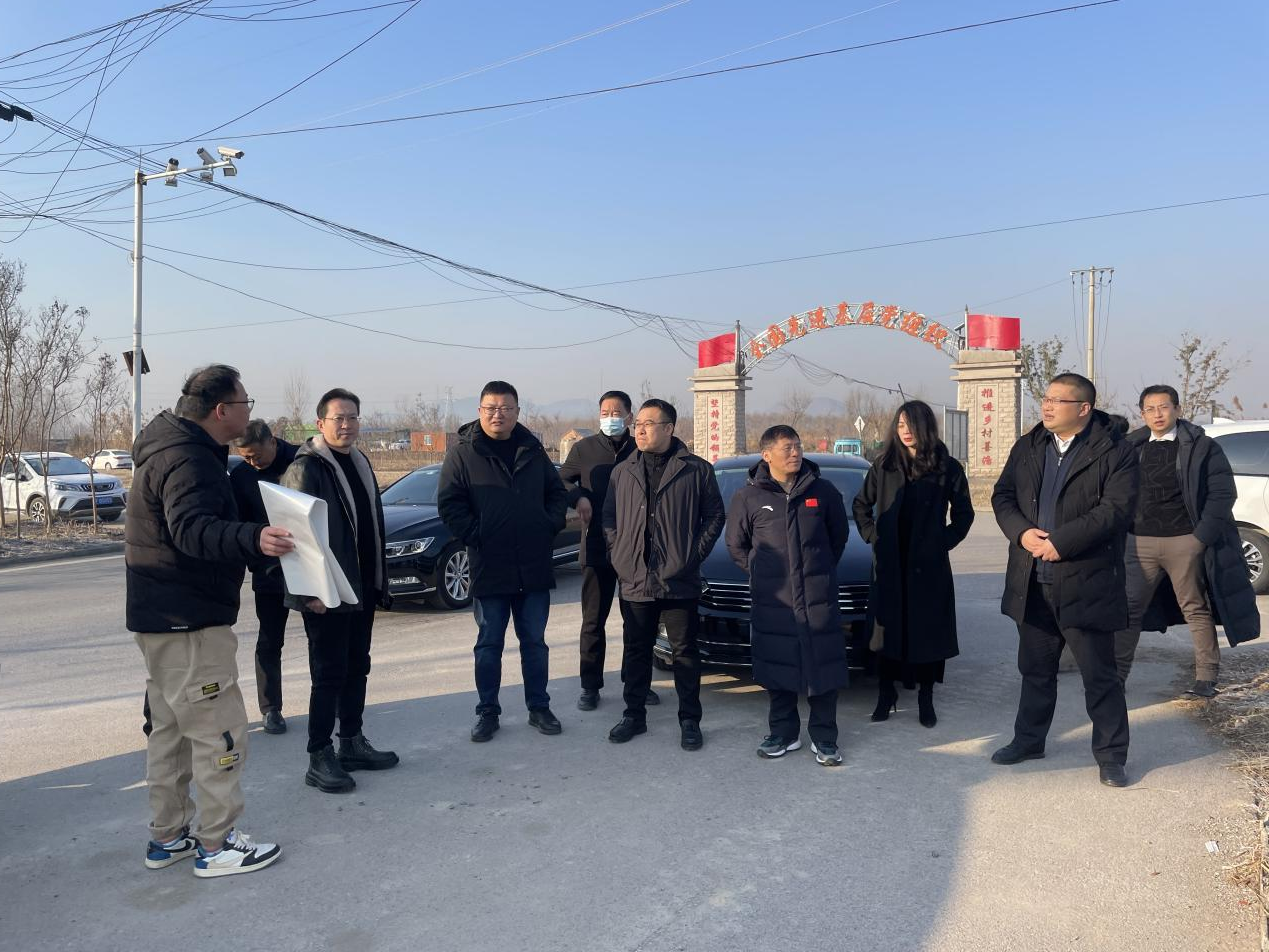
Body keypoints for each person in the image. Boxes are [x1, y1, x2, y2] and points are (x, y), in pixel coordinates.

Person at [126, 364, 292, 878]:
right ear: (222, 410)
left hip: (162, 619)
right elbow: (192, 529)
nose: (249, 411)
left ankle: (168, 836)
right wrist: (253, 538)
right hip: (189, 621)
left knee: (172, 734)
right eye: (245, 402)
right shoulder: (189, 458)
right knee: (219, 732)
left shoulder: (170, 448)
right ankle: (217, 845)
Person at [991, 373, 1138, 787]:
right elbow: (1003, 496)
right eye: (1046, 398)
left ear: (1084, 409)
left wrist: (1063, 542)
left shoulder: (1115, 451)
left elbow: (1116, 510)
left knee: (1100, 676)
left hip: (1085, 581)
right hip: (1032, 580)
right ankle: (1029, 740)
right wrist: (1021, 532)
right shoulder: (1030, 445)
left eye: (1058, 400)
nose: (1047, 406)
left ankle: (1111, 756)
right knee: (1035, 670)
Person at [437, 380, 569, 743]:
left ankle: (539, 707)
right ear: (480, 411)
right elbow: (449, 504)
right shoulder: (463, 454)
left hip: (533, 564)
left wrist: (548, 525)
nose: (499, 414)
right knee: (489, 644)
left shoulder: (532, 449)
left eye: (506, 408)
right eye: (491, 408)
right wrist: (478, 534)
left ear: (517, 412)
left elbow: (556, 493)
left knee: (535, 643)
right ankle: (487, 712)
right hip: (489, 565)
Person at [282, 388, 399, 794]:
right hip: (325, 591)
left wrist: (379, 581)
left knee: (356, 667)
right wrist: (307, 593)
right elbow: (293, 537)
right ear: (320, 423)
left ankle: (351, 742)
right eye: (338, 418)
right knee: (327, 674)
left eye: (352, 417)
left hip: (360, 586)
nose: (347, 425)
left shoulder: (360, 462)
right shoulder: (307, 468)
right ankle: (319, 755)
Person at [1114, 385, 1260, 695]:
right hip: (1139, 543)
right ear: (1142, 414)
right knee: (1128, 609)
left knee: (1195, 607)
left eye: (1164, 407)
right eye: (1150, 409)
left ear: (1177, 409)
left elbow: (1222, 494)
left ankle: (1206, 677)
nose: (1157, 414)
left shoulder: (1202, 447)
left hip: (1184, 541)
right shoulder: (1130, 448)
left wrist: (1199, 538)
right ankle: (1115, 679)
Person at [603, 398, 725, 750]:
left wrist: (691, 556)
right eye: (637, 424)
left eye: (648, 424)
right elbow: (608, 518)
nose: (639, 430)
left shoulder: (697, 470)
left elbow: (715, 516)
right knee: (636, 649)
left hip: (679, 579)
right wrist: (619, 555)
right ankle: (633, 715)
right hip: (635, 577)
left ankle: (690, 720)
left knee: (684, 651)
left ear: (669, 428)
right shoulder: (623, 471)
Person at [725, 425, 851, 765]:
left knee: (823, 668)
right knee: (777, 668)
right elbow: (736, 546)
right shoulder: (748, 497)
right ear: (767, 455)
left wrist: (818, 572)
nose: (795, 453)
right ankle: (783, 733)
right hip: (774, 601)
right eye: (787, 448)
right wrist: (763, 575)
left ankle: (825, 738)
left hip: (817, 598)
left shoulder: (823, 491)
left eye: (797, 446)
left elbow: (837, 538)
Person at [853, 401, 974, 728]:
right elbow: (861, 505)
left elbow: (964, 515)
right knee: (885, 634)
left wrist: (941, 542)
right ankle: (886, 694)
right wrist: (874, 537)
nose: (905, 431)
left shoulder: (947, 467)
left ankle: (925, 697)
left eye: (911, 425)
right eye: (900, 425)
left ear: (925, 427)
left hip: (928, 567)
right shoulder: (884, 465)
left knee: (926, 633)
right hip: (889, 565)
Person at [559, 390, 657, 710]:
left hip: (635, 549)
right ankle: (590, 686)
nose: (610, 417)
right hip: (596, 547)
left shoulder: (641, 447)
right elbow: (561, 480)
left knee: (637, 621)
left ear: (629, 416)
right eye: (605, 412)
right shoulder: (584, 449)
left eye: (616, 412)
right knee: (593, 621)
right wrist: (578, 498)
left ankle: (636, 681)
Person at [229, 420, 298, 734]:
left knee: (322, 637)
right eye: (246, 457)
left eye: (257, 455)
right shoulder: (241, 477)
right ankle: (271, 709)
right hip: (269, 569)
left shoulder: (301, 461)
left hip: (308, 565)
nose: (253, 462)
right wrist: (256, 557)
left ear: (272, 441)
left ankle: (330, 697)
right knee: (270, 641)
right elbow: (239, 526)